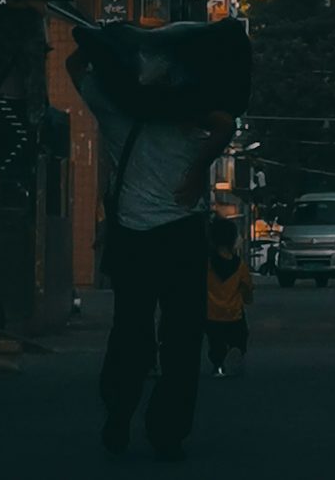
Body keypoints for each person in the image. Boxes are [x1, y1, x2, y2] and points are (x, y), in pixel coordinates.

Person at [72, 36, 234, 461]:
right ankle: (167, 431)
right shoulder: (189, 109)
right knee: (180, 339)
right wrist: (199, 168)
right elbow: (226, 124)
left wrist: (102, 41)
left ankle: (119, 414)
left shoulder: (114, 108)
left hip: (133, 237)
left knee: (130, 333)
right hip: (180, 234)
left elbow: (75, 68)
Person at [204, 214, 252, 378]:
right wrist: (247, 298)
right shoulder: (239, 266)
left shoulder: (207, 265)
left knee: (215, 342)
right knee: (240, 336)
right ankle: (236, 349)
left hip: (211, 313)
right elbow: (246, 287)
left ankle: (218, 365)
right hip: (234, 313)